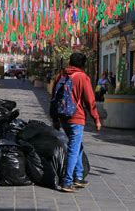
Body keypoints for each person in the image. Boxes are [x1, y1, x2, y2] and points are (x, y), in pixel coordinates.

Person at [51, 53, 101, 193]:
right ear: (83, 64)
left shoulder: (61, 76)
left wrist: (55, 119)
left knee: (77, 146)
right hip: (76, 118)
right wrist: (96, 119)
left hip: (63, 117)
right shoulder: (82, 77)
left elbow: (53, 99)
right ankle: (67, 182)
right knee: (73, 148)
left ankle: (78, 177)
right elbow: (90, 101)